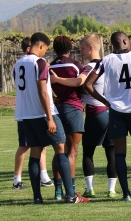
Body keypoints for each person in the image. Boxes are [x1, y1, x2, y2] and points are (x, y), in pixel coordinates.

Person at [84, 31, 131, 201]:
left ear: (113, 44)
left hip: (116, 112)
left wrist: (105, 101)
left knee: (120, 154)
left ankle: (126, 194)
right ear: (126, 41)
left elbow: (88, 85)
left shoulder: (106, 60)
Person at [13, 32, 88, 204]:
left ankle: (37, 197)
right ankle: (71, 195)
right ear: (40, 45)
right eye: (45, 49)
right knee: (61, 150)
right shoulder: (39, 63)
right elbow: (42, 92)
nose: (45, 53)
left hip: (25, 114)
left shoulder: (18, 63)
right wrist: (50, 118)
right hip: (43, 113)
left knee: (35, 153)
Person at [52, 34, 118, 198]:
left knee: (86, 152)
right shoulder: (109, 64)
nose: (80, 52)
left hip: (95, 112)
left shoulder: (88, 67)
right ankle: (111, 190)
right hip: (112, 112)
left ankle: (89, 188)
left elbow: (82, 84)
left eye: (82, 48)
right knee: (111, 152)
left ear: (90, 48)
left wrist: (58, 82)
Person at [12, 37, 52, 190]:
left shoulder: (18, 63)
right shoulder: (35, 62)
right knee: (25, 145)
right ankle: (17, 179)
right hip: (30, 111)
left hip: (24, 109)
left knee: (40, 145)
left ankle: (43, 175)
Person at [49, 36, 85, 199]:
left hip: (56, 108)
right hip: (73, 107)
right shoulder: (75, 65)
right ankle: (71, 190)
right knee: (72, 151)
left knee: (59, 151)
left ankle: (57, 191)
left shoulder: (49, 66)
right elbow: (81, 83)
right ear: (70, 47)